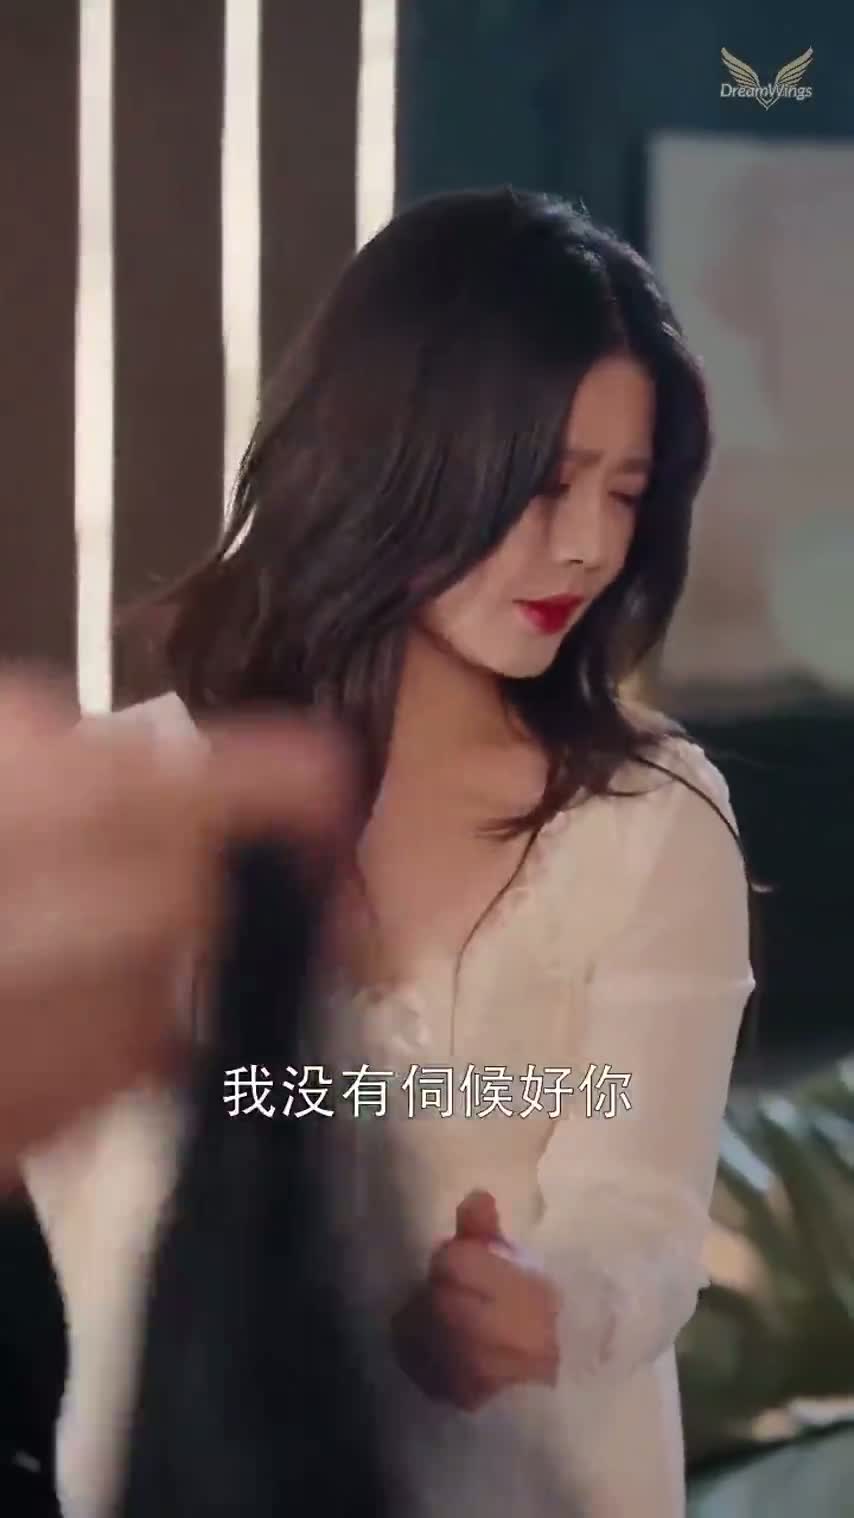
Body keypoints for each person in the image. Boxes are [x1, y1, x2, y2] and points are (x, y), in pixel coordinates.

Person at [21, 188, 754, 1517]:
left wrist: (550, 1302)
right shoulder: (140, 809)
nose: (588, 544)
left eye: (625, 493)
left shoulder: (648, 813)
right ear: (395, 458)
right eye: (544, 484)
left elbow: (645, 1212)